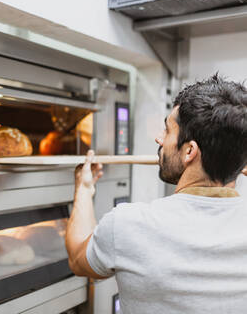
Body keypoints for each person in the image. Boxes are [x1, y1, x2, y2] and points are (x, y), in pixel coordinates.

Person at [66, 74, 247, 313]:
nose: (159, 138)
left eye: (168, 130)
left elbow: (78, 260)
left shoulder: (129, 224)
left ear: (190, 151)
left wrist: (84, 189)